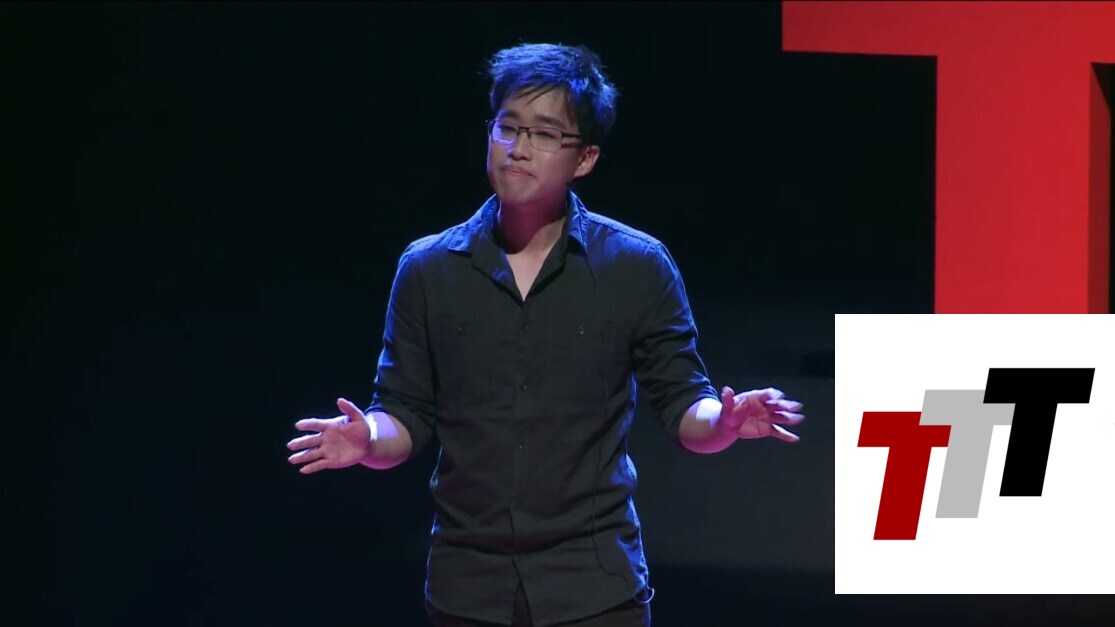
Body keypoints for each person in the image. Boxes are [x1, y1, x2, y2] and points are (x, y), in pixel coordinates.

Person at [286, 42, 804, 627]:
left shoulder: (636, 266)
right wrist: (368, 439)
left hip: (595, 588)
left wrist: (724, 423)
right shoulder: (428, 268)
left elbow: (684, 402)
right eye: (507, 127)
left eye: (544, 133)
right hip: (467, 589)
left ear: (585, 158)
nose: (519, 147)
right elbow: (403, 411)